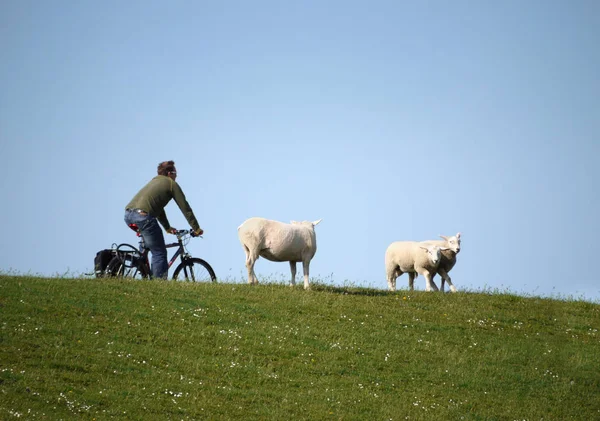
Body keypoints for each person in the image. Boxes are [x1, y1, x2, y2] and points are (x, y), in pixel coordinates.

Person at [124, 161, 203, 279]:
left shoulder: (155, 181)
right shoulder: (171, 184)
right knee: (159, 252)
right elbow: (185, 208)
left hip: (129, 215)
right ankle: (159, 284)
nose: (176, 176)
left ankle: (141, 268)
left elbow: (158, 209)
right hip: (143, 217)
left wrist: (167, 227)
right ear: (170, 173)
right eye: (175, 173)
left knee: (146, 248)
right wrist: (196, 228)